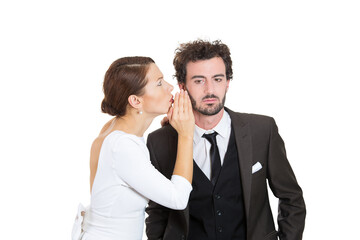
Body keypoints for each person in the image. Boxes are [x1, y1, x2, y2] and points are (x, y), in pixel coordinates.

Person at [145, 40, 306, 240]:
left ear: (228, 82)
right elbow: (157, 213)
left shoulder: (262, 130)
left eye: (218, 79)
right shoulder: (159, 142)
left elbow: (291, 198)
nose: (210, 90)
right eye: (198, 80)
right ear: (182, 87)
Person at [72, 56, 195, 240]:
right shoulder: (122, 147)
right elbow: (178, 198)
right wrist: (186, 135)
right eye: (159, 83)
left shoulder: (115, 129)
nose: (170, 87)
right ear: (136, 101)